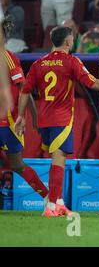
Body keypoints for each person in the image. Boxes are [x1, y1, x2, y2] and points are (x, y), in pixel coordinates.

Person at [14, 25, 99, 217]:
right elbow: (94, 83)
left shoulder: (38, 64)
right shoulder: (71, 61)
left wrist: (21, 116)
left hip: (43, 120)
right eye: (72, 39)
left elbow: (24, 91)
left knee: (56, 159)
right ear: (68, 42)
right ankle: (51, 207)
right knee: (59, 159)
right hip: (61, 119)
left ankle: (59, 204)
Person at [0, 16, 49, 208]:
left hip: (7, 122)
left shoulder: (8, 57)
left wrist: (34, 116)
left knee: (17, 165)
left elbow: (24, 89)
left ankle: (48, 198)